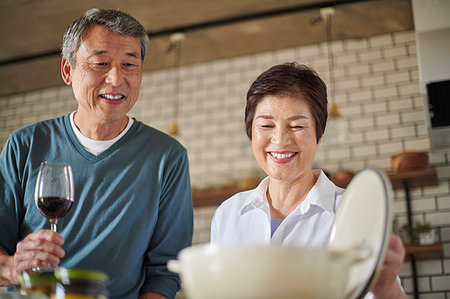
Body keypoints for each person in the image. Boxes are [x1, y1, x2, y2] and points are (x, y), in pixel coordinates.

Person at [0, 8, 193, 299]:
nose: (116, 79)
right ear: (68, 70)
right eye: (101, 62)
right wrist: (13, 267)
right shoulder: (25, 145)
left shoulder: (167, 157)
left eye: (130, 64)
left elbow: (166, 272)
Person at [210, 62, 407, 299]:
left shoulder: (351, 212)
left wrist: (386, 287)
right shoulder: (228, 214)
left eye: (296, 126)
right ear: (251, 132)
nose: (280, 140)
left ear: (319, 134)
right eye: (266, 125)